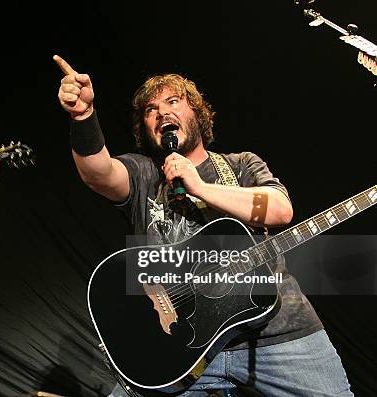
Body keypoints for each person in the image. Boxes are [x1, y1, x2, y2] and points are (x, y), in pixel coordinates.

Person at [53, 55, 353, 396]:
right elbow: (97, 173)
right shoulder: (144, 173)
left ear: (196, 113)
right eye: (151, 109)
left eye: (173, 101)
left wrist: (203, 188)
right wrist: (82, 116)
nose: (162, 112)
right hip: (177, 346)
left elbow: (280, 210)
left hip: (276, 332)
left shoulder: (241, 165)